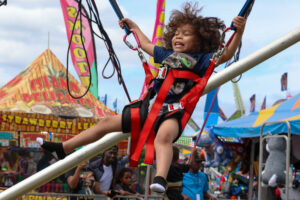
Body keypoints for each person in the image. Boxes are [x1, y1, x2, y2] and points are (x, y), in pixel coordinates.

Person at [36, 1, 246, 194]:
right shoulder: (166, 55)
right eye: (176, 33)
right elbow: (145, 45)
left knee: (163, 138)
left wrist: (239, 31)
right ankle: (64, 148)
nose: (178, 37)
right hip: (149, 108)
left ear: (200, 41)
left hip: (173, 113)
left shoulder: (202, 60)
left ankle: (160, 178)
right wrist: (133, 27)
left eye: (186, 34)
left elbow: (226, 54)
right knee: (106, 122)